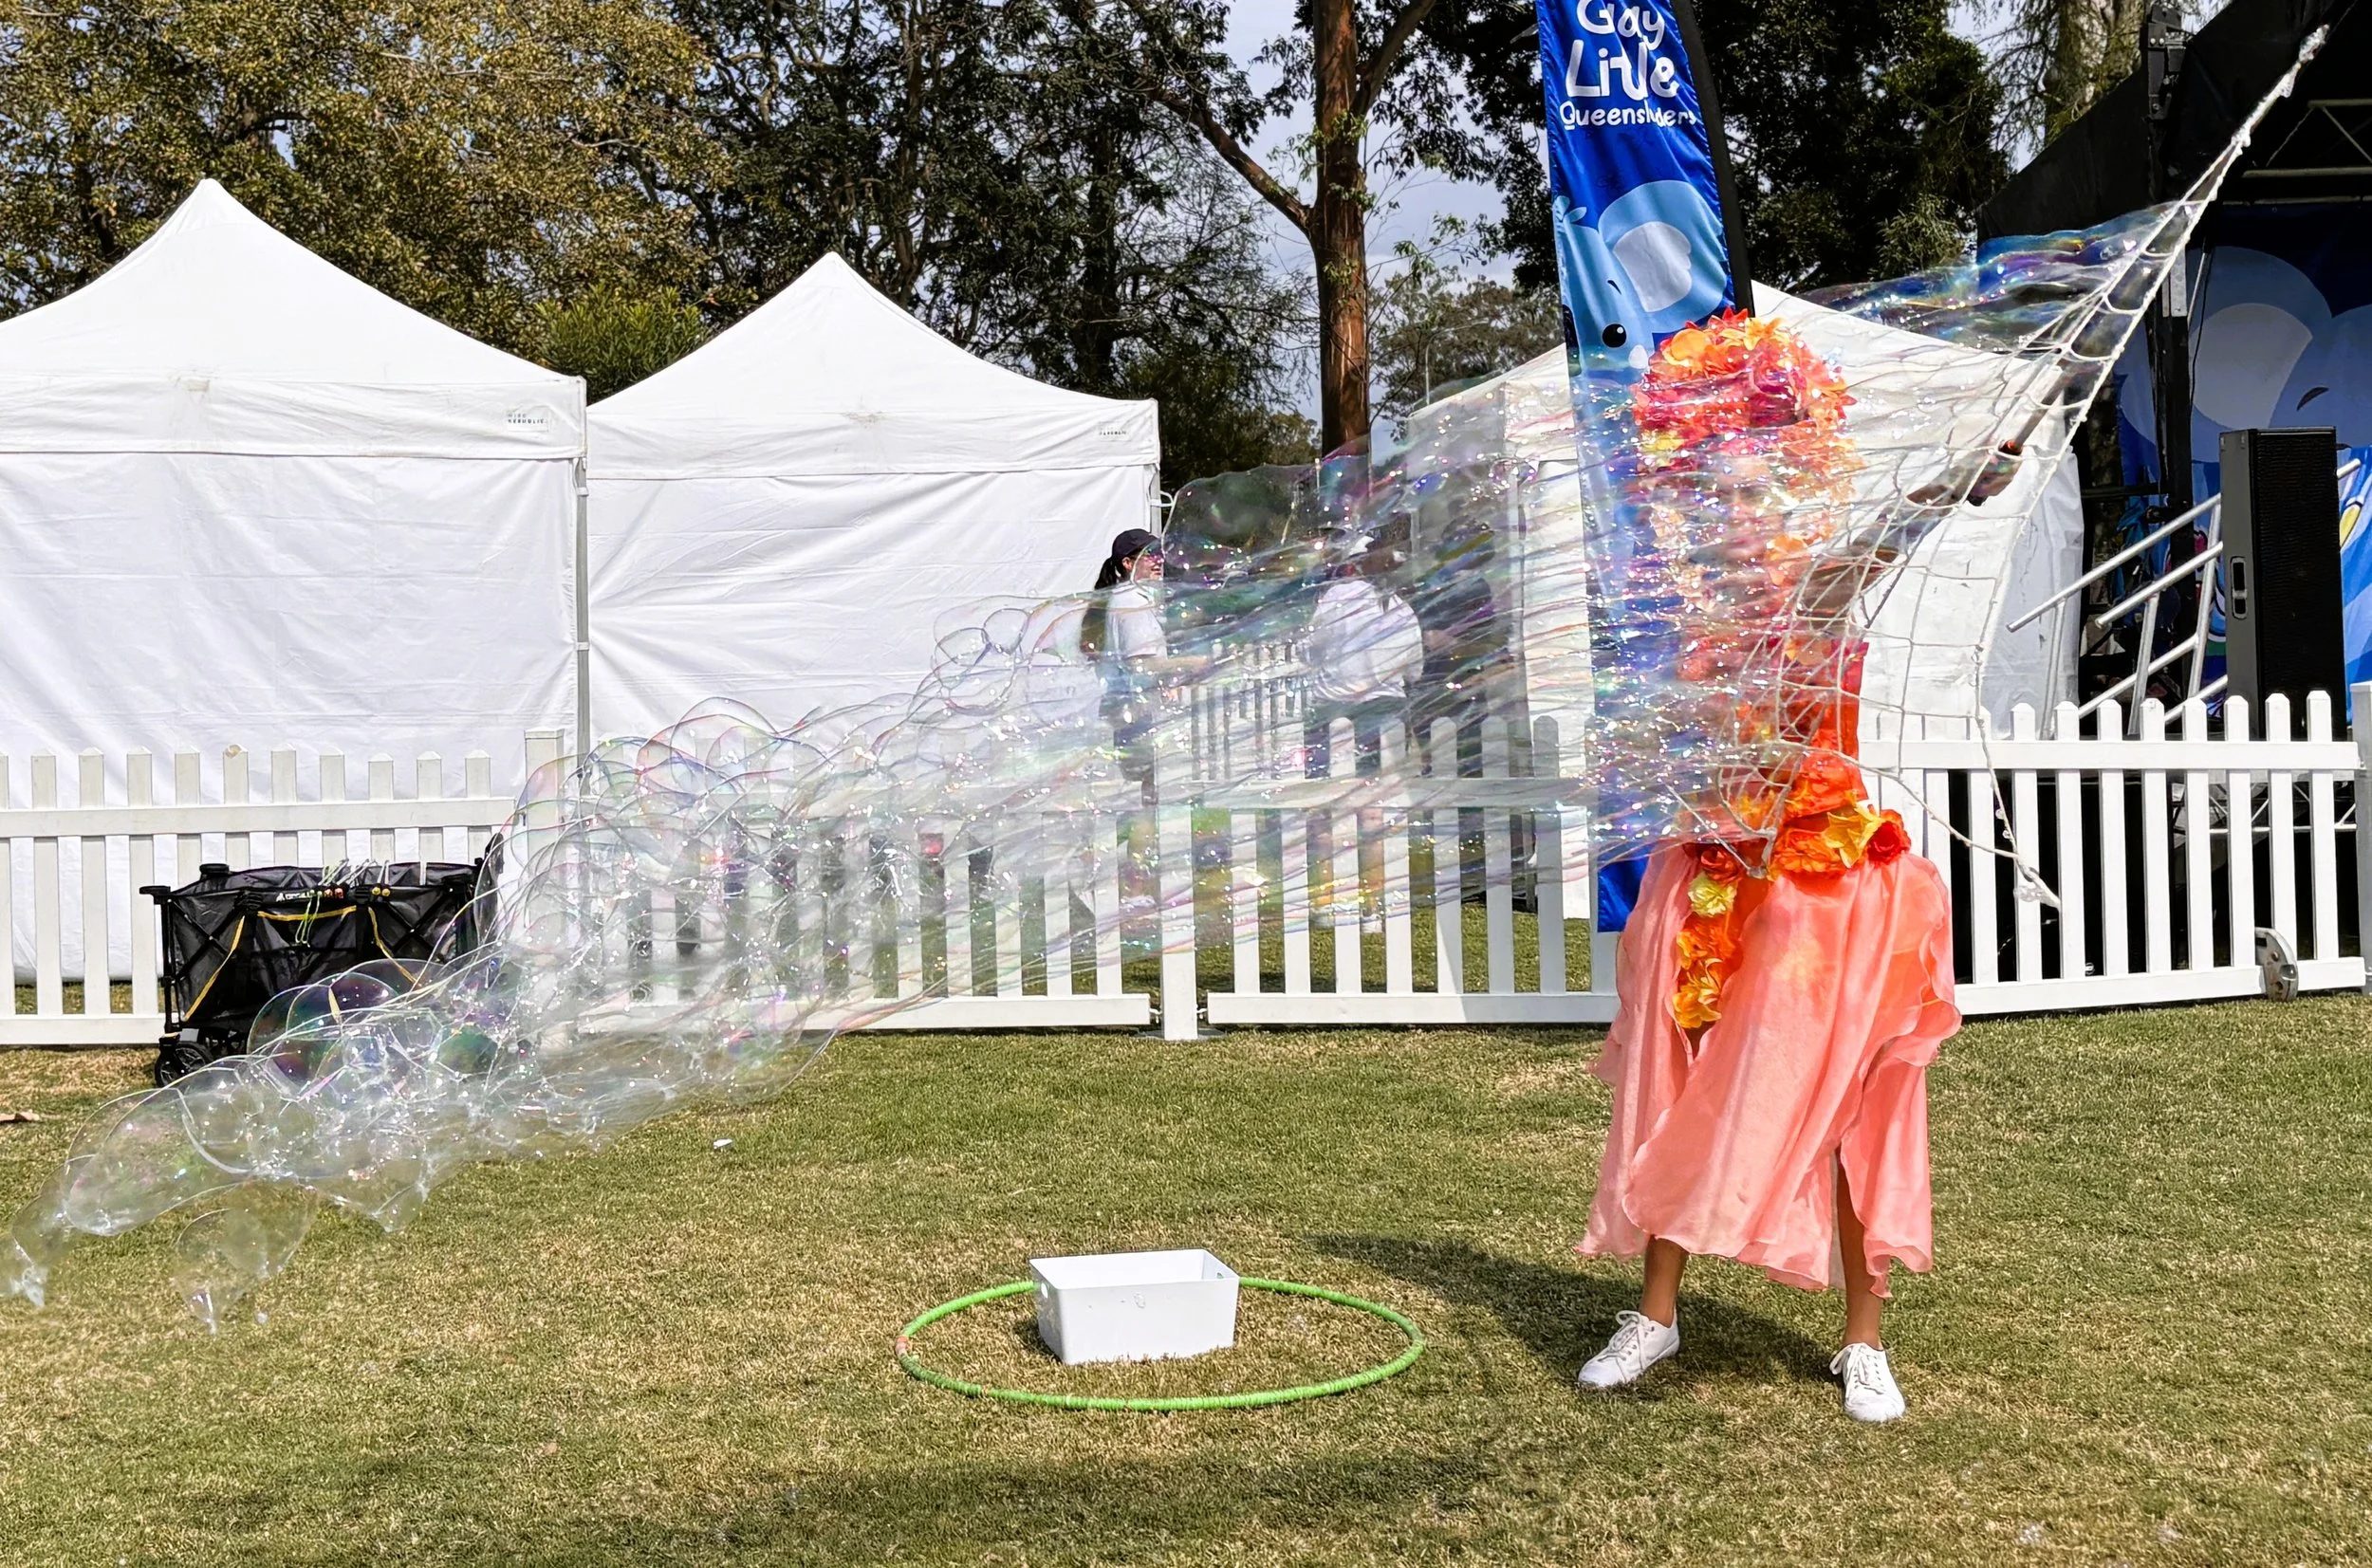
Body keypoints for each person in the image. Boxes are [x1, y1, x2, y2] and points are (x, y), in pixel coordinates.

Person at [1302, 529, 1423, 774]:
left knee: (1326, 787)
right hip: (1386, 708)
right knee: (1380, 790)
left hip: (1334, 705)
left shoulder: (1336, 596)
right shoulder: (1401, 608)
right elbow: (1414, 671)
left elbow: (1310, 648)